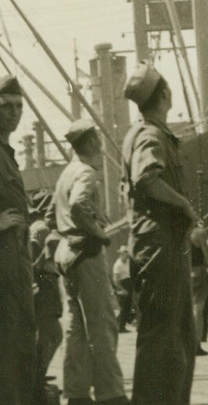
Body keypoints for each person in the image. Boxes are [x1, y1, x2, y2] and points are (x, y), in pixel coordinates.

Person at [121, 64, 197, 405]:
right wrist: (183, 204)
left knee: (176, 339)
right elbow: (146, 178)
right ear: (164, 95)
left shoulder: (144, 132)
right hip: (160, 245)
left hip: (164, 245)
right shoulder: (151, 136)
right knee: (162, 341)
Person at [52, 119, 127, 405]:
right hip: (86, 254)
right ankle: (111, 394)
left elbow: (56, 211)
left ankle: (76, 393)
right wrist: (98, 231)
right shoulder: (86, 172)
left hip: (66, 254)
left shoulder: (66, 174)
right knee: (102, 325)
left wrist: (82, 221)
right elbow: (77, 204)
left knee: (75, 330)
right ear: (94, 142)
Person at [0, 73, 43, 405]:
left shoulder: (7, 152)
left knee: (20, 345)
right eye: (6, 106)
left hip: (16, 265)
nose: (13, 113)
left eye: (18, 106)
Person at [30, 220, 63, 387]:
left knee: (55, 336)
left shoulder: (40, 235)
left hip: (47, 296)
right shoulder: (35, 242)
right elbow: (36, 267)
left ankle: (39, 373)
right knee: (48, 337)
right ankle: (37, 375)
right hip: (44, 297)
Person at [189, 224, 208, 356]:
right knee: (198, 309)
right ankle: (196, 345)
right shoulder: (199, 233)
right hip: (199, 272)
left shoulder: (180, 233)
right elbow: (207, 255)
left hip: (186, 273)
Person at [111, 246, 134, 333]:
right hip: (122, 285)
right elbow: (116, 280)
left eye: (127, 253)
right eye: (124, 253)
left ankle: (122, 327)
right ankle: (118, 327)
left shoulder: (128, 262)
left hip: (129, 284)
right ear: (121, 254)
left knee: (128, 307)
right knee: (123, 308)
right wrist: (122, 289)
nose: (126, 255)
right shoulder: (118, 265)